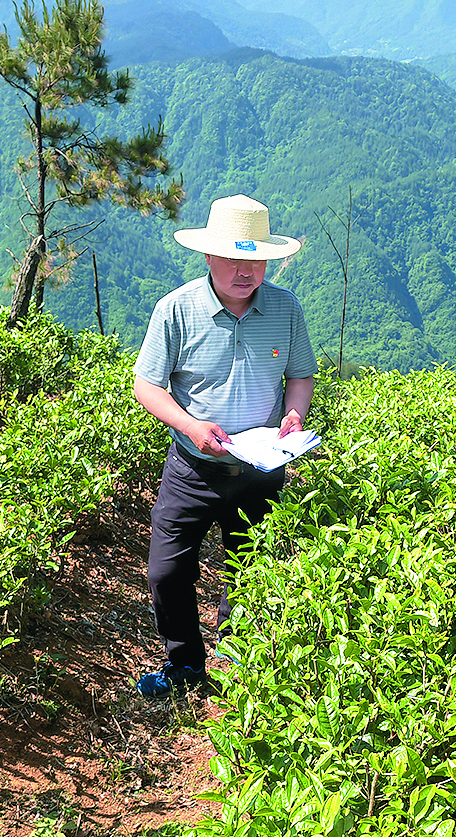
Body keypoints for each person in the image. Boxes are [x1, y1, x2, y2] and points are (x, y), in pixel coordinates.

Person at [132, 194, 316, 699]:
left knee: (250, 571)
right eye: (234, 258)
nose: (244, 271)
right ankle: (184, 663)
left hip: (260, 469)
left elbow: (300, 375)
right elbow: (147, 386)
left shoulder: (285, 308)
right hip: (192, 467)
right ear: (209, 256)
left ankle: (239, 666)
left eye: (254, 259)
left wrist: (294, 413)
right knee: (168, 571)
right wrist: (191, 426)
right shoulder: (176, 309)